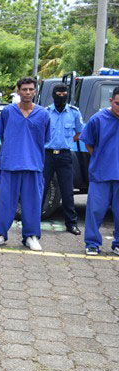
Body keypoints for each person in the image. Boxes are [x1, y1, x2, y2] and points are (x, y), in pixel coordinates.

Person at [0, 77, 50, 251]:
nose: (28, 92)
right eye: (24, 89)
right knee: (6, 202)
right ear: (18, 91)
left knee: (32, 203)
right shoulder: (8, 111)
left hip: (34, 165)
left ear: (35, 91)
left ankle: (31, 236)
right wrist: (12, 151)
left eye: (31, 89)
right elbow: (2, 136)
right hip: (10, 164)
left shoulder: (43, 114)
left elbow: (45, 139)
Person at [81, 86, 119, 256]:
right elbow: (88, 143)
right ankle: (92, 243)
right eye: (117, 103)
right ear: (110, 101)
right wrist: (100, 158)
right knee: (95, 210)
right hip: (101, 173)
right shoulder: (98, 119)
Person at [43, 83, 83, 235]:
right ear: (53, 95)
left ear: (67, 95)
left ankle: (71, 224)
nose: (61, 97)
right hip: (47, 155)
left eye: (64, 94)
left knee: (67, 191)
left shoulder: (74, 113)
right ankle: (33, 221)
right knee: (41, 189)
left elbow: (79, 133)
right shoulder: (46, 112)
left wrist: (66, 142)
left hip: (65, 156)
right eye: (58, 94)